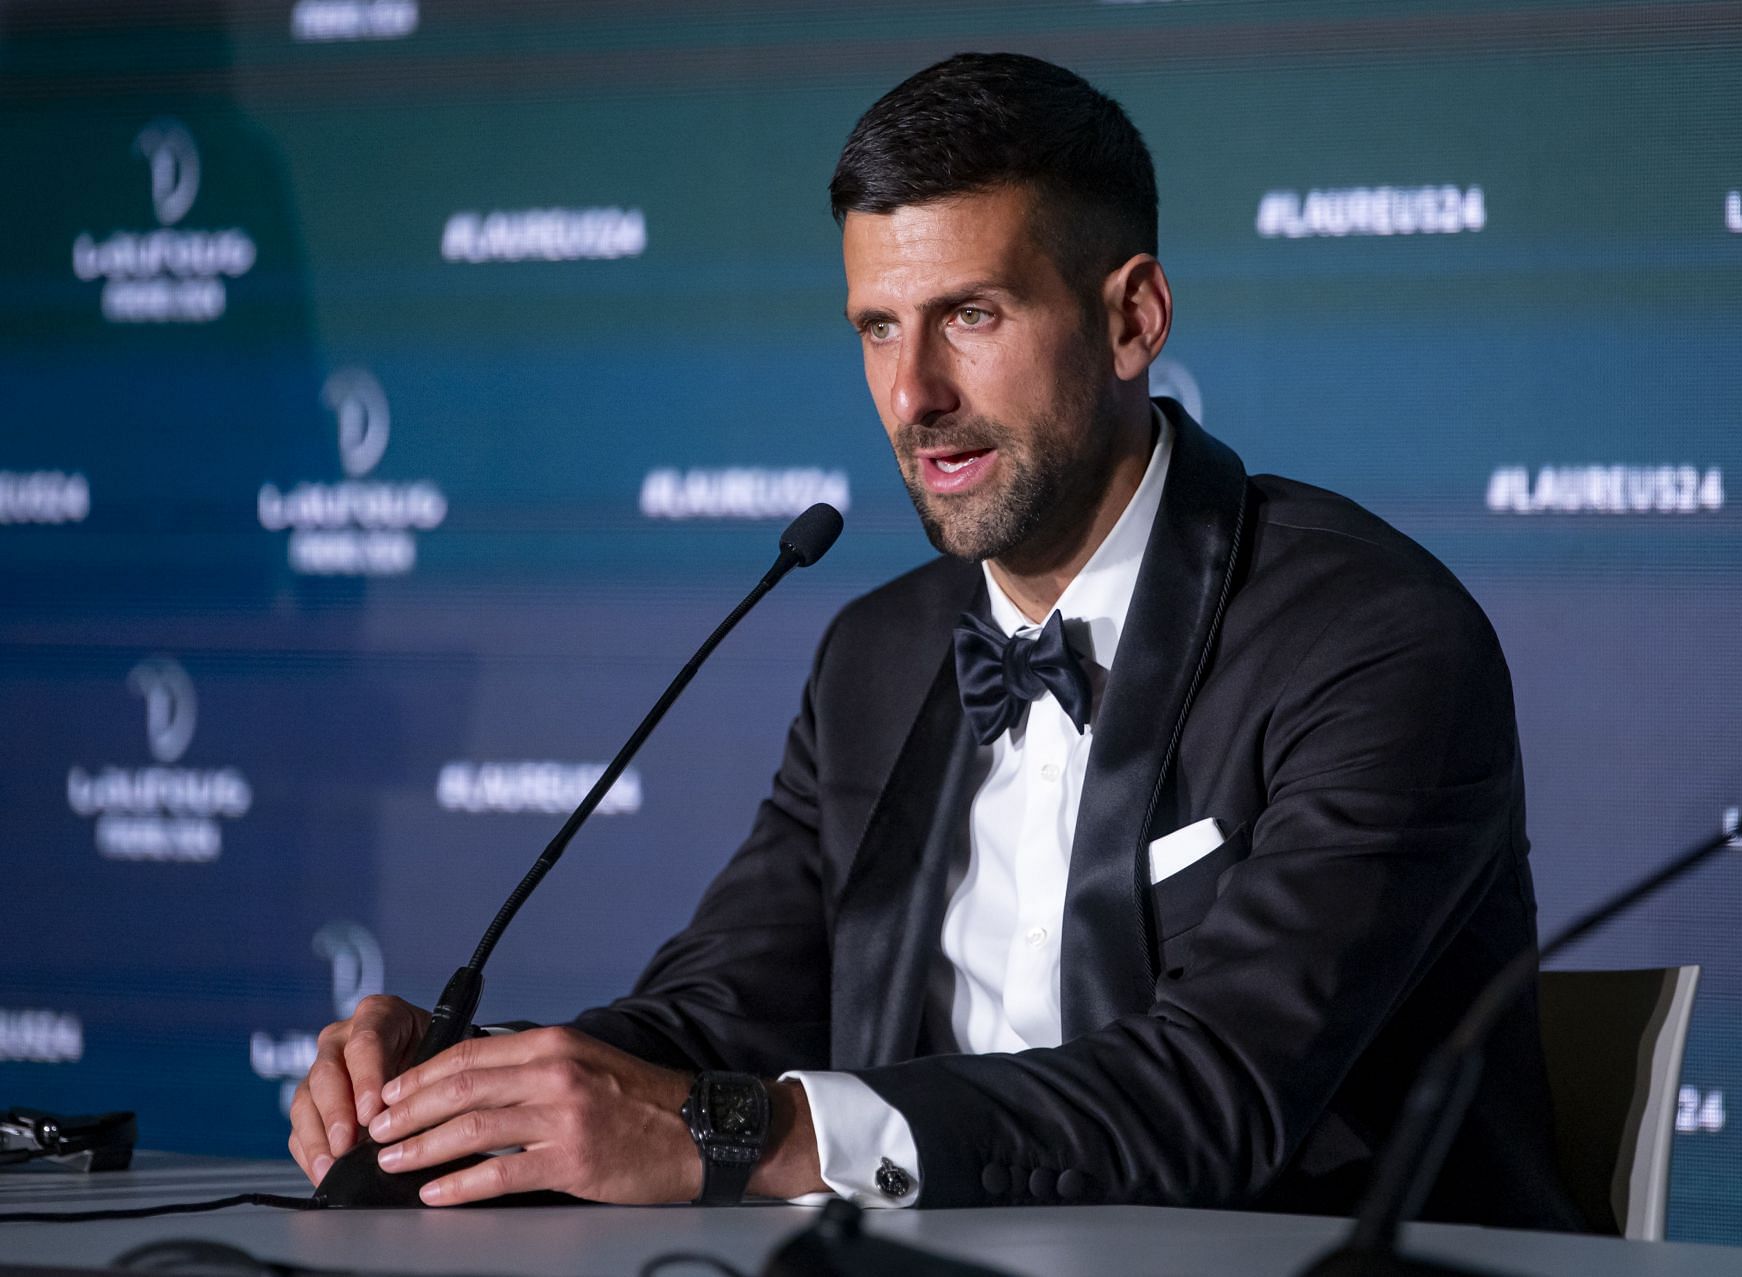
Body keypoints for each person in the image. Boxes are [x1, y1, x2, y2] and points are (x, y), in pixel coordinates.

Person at [288, 52, 1580, 1229]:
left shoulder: (1369, 637)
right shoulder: (878, 650)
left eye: (972, 315)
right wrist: (471, 1089)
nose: (915, 399)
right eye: (877, 327)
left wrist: (761, 1131)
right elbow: (719, 1013)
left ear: (1134, 321)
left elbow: (1220, 1094)